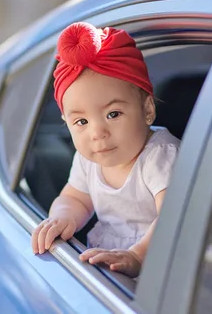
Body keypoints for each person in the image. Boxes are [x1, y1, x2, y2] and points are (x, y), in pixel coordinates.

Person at [31, 21, 180, 277]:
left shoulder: (160, 155)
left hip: (155, 270)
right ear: (67, 124)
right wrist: (64, 217)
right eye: (82, 122)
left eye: (113, 114)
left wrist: (138, 256)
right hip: (106, 267)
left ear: (147, 110)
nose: (97, 133)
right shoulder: (89, 160)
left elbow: (175, 216)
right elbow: (75, 198)